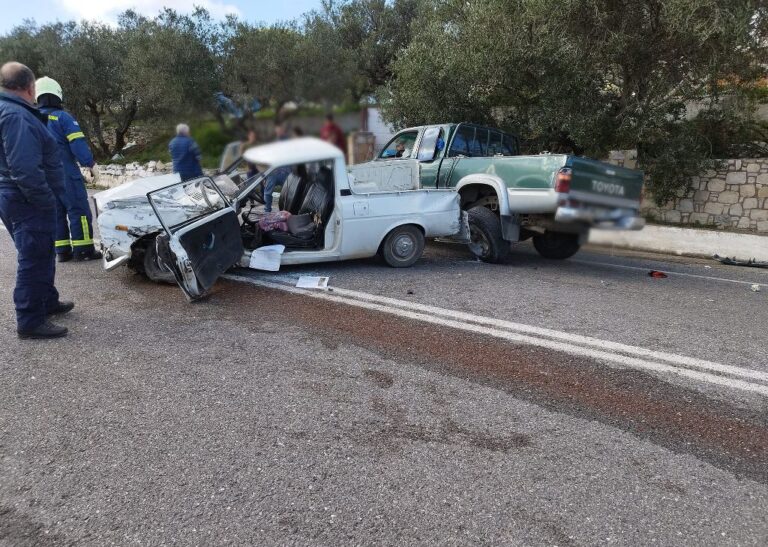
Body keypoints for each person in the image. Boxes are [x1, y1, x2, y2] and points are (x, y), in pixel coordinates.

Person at [0, 62, 73, 339]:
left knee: (42, 252)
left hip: (16, 195)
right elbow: (25, 168)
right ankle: (30, 320)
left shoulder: (10, 111)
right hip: (26, 199)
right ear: (30, 87)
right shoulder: (17, 116)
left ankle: (46, 301)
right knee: (33, 256)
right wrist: (45, 199)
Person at [35, 77, 102, 262]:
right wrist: (90, 164)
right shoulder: (63, 117)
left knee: (55, 212)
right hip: (65, 172)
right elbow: (77, 144)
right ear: (57, 95)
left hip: (43, 175)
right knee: (79, 210)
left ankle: (62, 252)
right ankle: (84, 250)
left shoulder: (33, 119)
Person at [262, 123, 291, 213]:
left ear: (283, 130)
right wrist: (265, 176)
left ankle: (287, 211)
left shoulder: (289, 142)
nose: (278, 132)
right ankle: (267, 211)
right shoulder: (273, 142)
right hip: (273, 172)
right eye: (277, 131)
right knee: (267, 192)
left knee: (288, 193)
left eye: (280, 130)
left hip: (285, 172)